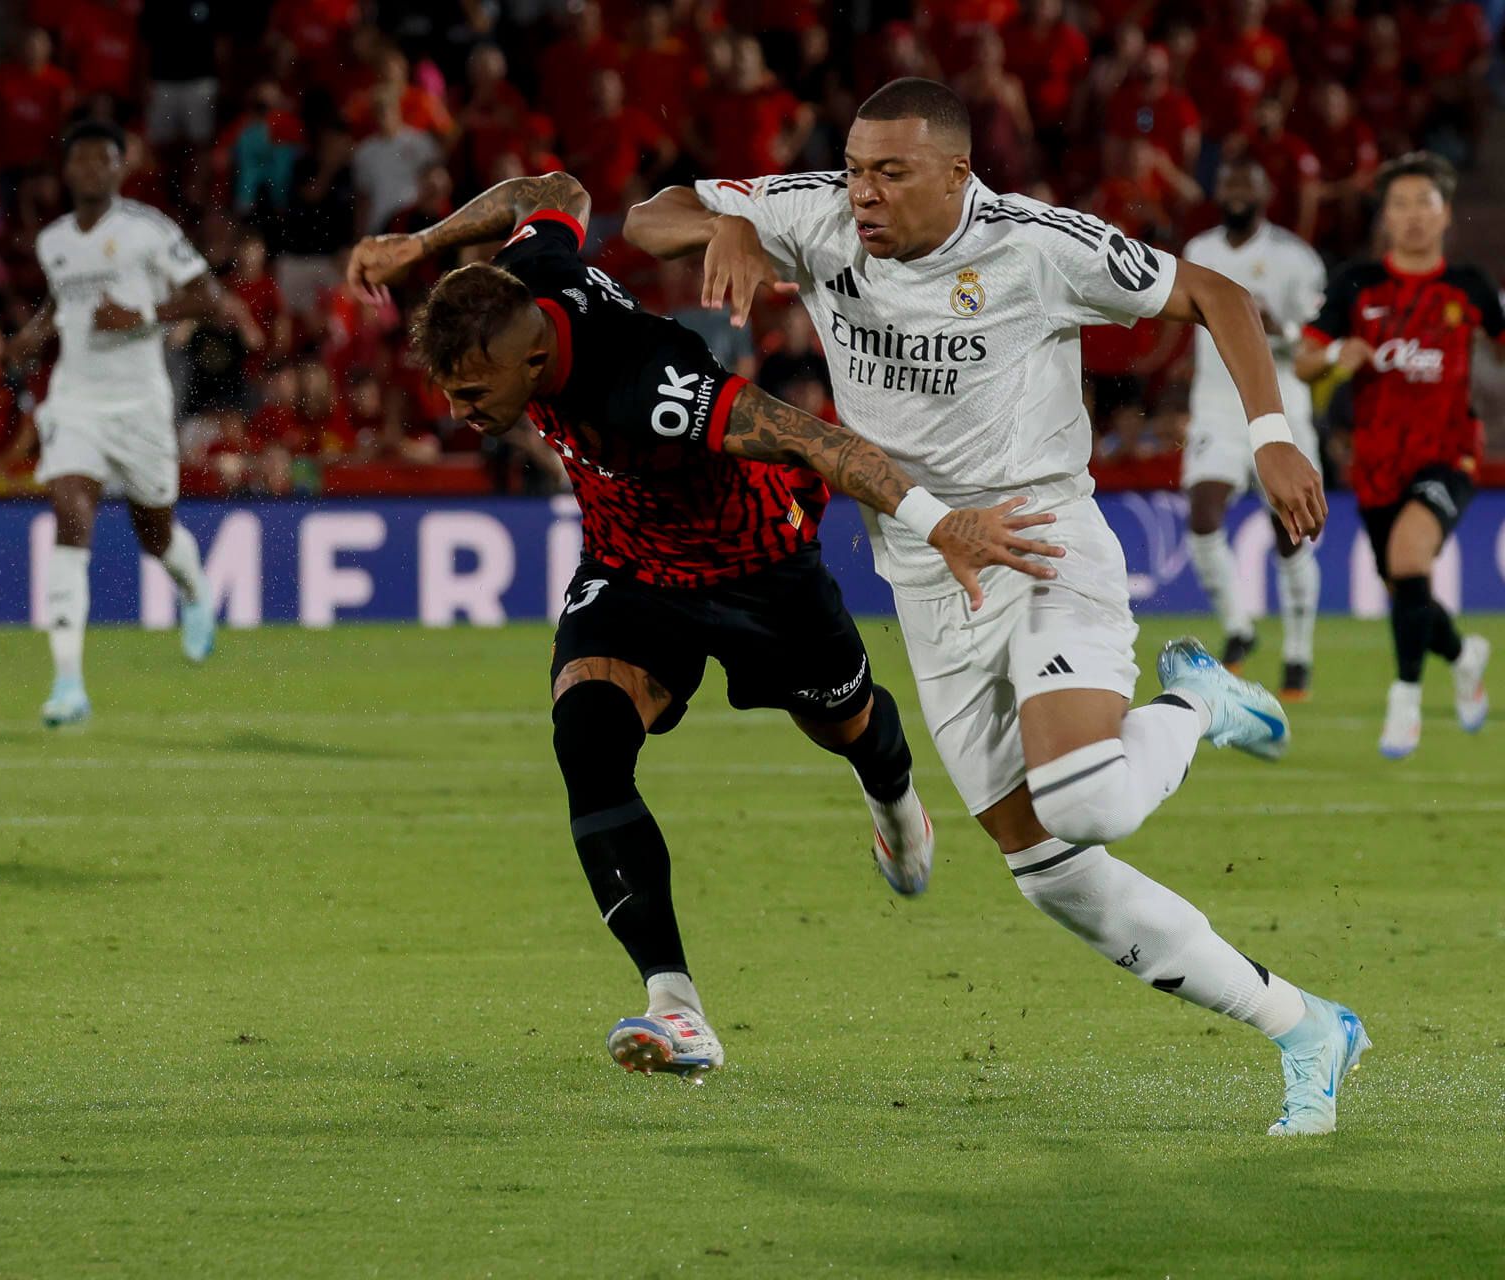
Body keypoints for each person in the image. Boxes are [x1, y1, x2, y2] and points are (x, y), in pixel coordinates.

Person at [625, 78, 1366, 1136]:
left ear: (957, 175)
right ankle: (1306, 1026)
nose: (863, 193)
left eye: (892, 173)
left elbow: (1218, 294)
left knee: (1085, 802)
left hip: (1040, 542)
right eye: (855, 169)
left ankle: (1195, 703)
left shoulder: (1037, 246)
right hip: (927, 572)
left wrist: (1273, 437)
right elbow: (646, 217)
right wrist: (734, 221)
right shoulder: (815, 214)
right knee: (1049, 871)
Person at [349, 170, 1064, 1080]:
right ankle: (675, 1007)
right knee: (587, 739)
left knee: (849, 727)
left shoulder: (648, 381)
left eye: (470, 388)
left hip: (758, 568)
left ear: (532, 361)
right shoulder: (526, 279)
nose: (458, 409)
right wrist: (420, 247)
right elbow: (555, 188)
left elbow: (814, 441)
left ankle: (892, 799)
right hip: (633, 568)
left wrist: (941, 524)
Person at [6, 119, 225, 728]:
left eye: (101, 160)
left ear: (120, 167)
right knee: (70, 517)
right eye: (79, 160)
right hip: (75, 401)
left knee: (154, 534)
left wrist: (142, 312)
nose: (89, 170)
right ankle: (67, 683)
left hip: (138, 404)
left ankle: (192, 588)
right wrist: (34, 333)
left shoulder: (148, 231)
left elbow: (209, 298)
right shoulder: (53, 241)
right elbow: (62, 301)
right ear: (66, 170)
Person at [1296, 152, 1500, 758]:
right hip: (1377, 463)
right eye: (1401, 204)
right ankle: (1463, 656)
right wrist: (1337, 358)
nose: (1413, 215)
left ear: (1445, 214)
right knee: (1406, 588)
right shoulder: (1357, 283)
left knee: (1409, 555)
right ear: (1385, 217)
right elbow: (1304, 362)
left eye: (1424, 203)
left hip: (1450, 455)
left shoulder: (1469, 286)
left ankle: (1405, 700)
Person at [1180, 158, 1327, 694]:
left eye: (1248, 183)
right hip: (1216, 408)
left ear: (1267, 193)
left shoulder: (1295, 259)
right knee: (1203, 516)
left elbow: (1317, 341)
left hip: (1280, 406)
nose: (1237, 192)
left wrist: (1278, 328)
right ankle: (1239, 629)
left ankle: (1298, 653)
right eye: (1229, 182)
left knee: (1290, 535)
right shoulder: (1198, 251)